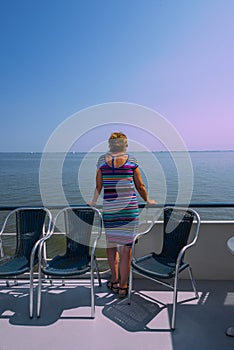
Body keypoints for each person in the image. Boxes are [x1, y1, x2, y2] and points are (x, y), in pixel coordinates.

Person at [89, 132, 156, 298]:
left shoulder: (102, 161)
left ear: (110, 145)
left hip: (110, 210)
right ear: (125, 144)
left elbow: (99, 186)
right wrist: (148, 200)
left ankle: (115, 279)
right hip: (129, 210)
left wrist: (93, 201)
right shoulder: (131, 160)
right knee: (126, 249)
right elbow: (139, 185)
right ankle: (124, 286)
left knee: (111, 246)